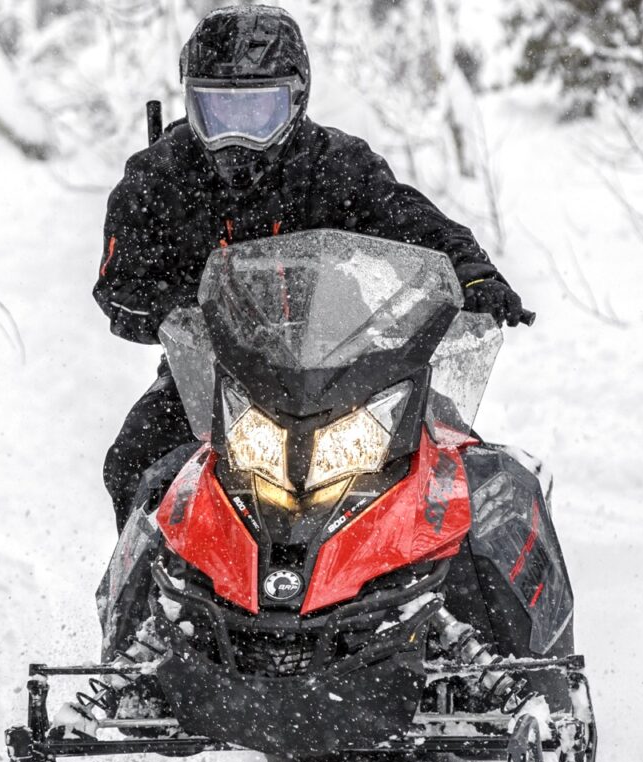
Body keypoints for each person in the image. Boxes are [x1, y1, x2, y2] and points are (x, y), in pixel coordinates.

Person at [92, 4, 526, 534]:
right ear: (191, 102)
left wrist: (472, 273)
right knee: (134, 460)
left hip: (349, 369)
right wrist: (175, 313)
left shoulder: (333, 164)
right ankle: (152, 601)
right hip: (212, 376)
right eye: (217, 113)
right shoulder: (159, 175)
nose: (237, 138)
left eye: (258, 114)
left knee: (459, 468)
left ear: (296, 101)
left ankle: (464, 582)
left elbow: (413, 221)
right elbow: (119, 284)